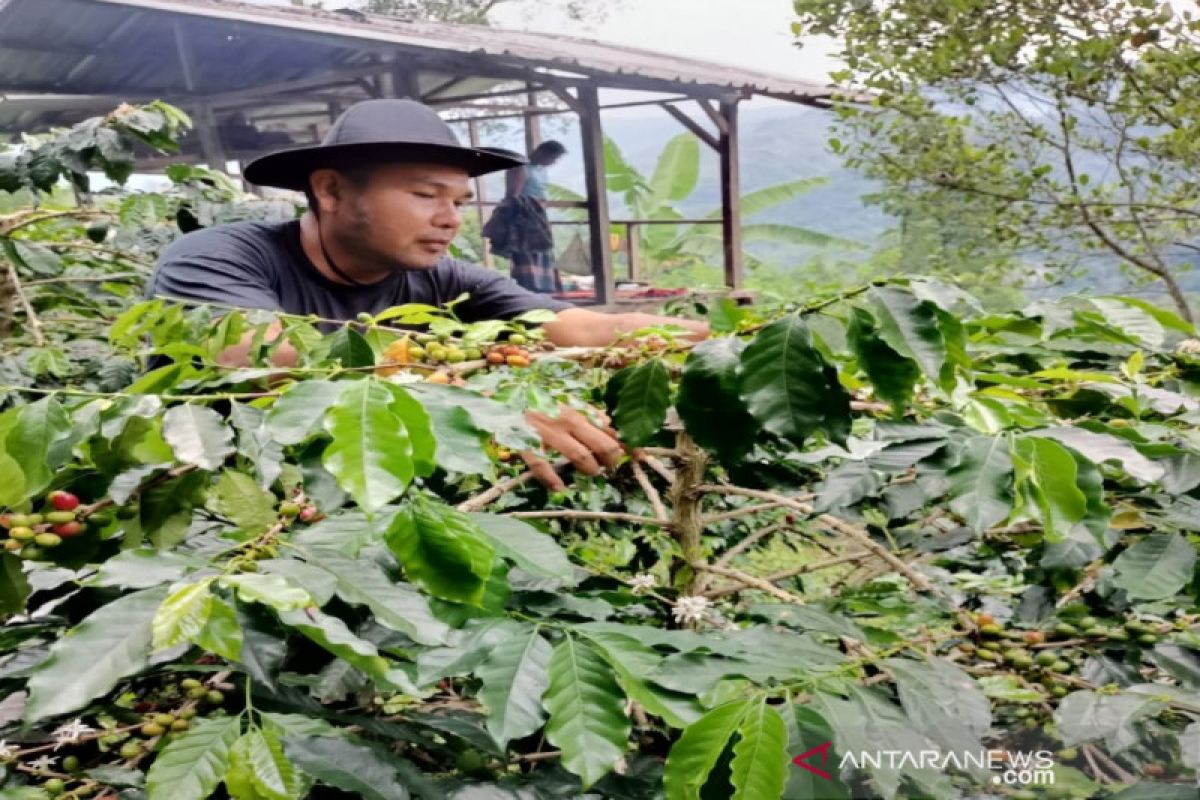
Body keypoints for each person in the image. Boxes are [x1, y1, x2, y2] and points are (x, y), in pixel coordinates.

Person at [147, 99, 708, 490]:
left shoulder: (445, 279)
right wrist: (488, 402)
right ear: (331, 189)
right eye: (424, 194)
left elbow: (578, 328)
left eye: (460, 202)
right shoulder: (218, 257)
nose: (448, 219)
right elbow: (266, 360)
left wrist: (715, 341)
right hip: (217, 507)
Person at [485, 140, 567, 293]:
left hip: (538, 215)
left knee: (542, 251)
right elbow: (512, 195)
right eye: (553, 158)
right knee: (526, 253)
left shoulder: (541, 170)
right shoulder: (520, 168)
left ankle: (543, 288)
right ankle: (528, 289)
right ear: (543, 152)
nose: (553, 162)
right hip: (524, 216)